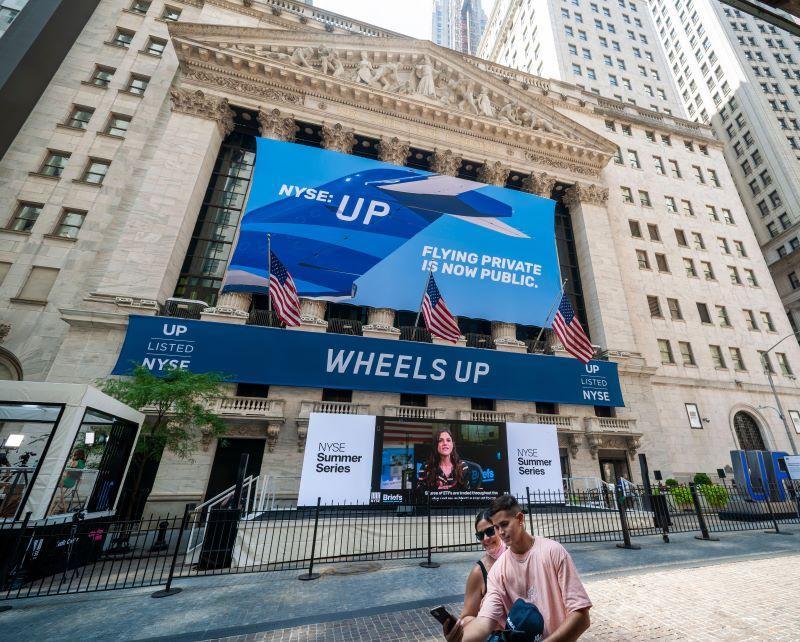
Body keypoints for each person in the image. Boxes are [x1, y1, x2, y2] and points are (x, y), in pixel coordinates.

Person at [456, 494, 591, 642]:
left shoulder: (553, 552)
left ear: (520, 519)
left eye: (504, 524)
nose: (501, 532)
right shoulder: (497, 571)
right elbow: (484, 622)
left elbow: (581, 616)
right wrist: (458, 638)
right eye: (496, 527)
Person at [442, 510, 506, 640]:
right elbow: (466, 616)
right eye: (480, 535)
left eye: (490, 531)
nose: (486, 538)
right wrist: (488, 621)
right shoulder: (478, 572)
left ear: (499, 528)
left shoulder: (515, 554)